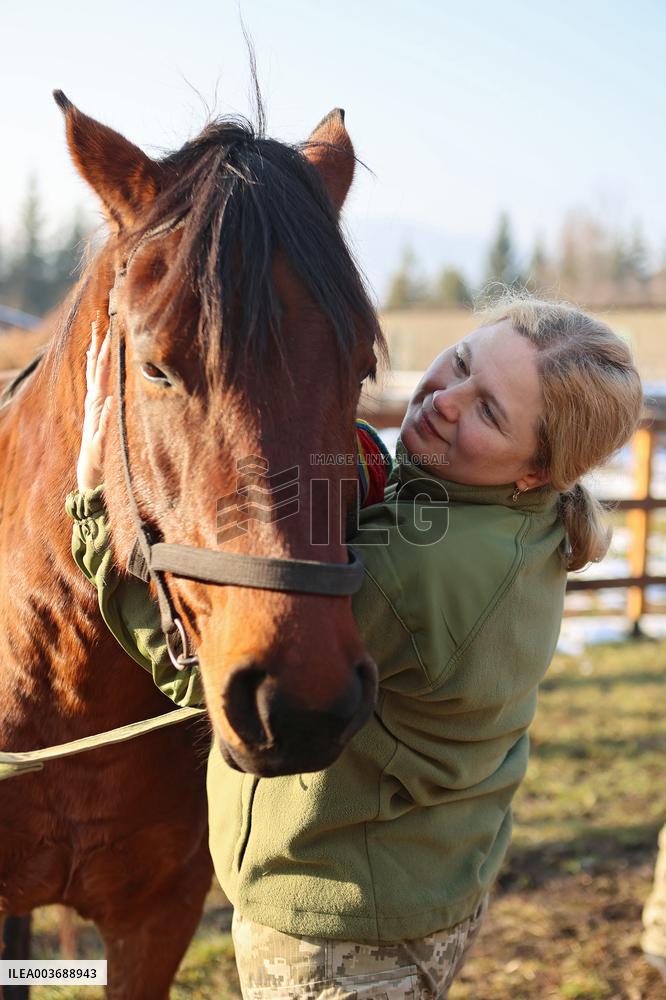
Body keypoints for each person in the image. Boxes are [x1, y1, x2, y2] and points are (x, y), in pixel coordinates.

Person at [68, 294, 642, 999]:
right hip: (422, 882)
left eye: (489, 410)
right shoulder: (515, 519)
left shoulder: (416, 572)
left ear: (536, 469)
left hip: (337, 934)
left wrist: (95, 507)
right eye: (461, 361)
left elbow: (208, 675)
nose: (446, 400)